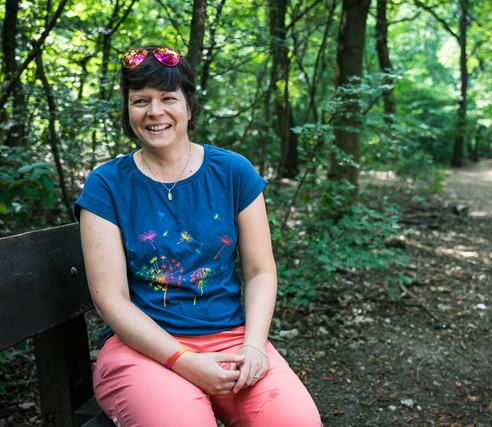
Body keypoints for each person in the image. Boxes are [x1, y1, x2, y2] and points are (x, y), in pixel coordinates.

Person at [75, 46, 321, 427]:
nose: (154, 111)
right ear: (127, 110)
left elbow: (260, 272)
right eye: (140, 100)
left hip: (232, 342)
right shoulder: (106, 184)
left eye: (167, 98)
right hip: (143, 350)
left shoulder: (233, 172)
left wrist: (255, 347)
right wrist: (184, 360)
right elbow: (110, 298)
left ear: (189, 106)